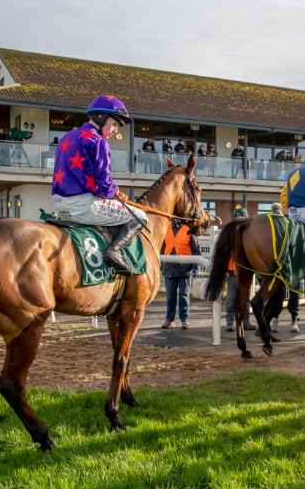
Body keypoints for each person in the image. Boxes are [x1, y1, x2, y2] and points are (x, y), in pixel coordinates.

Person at [51, 94, 148, 272]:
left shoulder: (67, 137)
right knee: (140, 216)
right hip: (84, 205)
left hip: (58, 203)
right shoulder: (98, 142)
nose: (115, 131)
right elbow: (105, 184)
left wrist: (114, 192)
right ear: (101, 118)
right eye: (114, 125)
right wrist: (116, 193)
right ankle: (114, 251)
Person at [160, 218, 200, 330]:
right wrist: (160, 265)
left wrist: (195, 267)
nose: (174, 220)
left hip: (185, 269)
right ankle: (169, 319)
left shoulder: (188, 231)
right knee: (170, 296)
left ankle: (184, 320)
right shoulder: (166, 230)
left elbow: (196, 251)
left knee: (183, 296)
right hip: (169, 268)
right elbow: (162, 249)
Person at [268, 202, 300, 333]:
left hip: (289, 264)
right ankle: (278, 319)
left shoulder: (289, 224)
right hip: (281, 266)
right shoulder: (271, 226)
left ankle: (292, 320)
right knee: (280, 295)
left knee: (291, 293)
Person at [225, 205, 255, 331]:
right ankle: (230, 322)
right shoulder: (228, 236)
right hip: (232, 273)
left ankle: (246, 321)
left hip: (246, 274)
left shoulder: (251, 236)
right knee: (231, 299)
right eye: (238, 219)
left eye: (243, 219)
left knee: (246, 299)